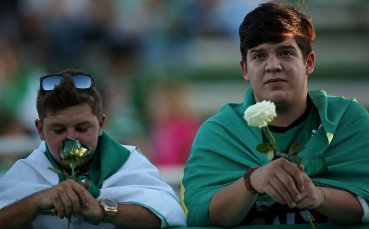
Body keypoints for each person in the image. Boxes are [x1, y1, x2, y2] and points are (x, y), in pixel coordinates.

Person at [181, 2, 369, 227]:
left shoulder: (348, 120)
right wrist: (250, 183)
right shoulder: (219, 132)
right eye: (259, 56)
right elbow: (202, 216)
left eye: (286, 52)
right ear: (245, 69)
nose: (273, 65)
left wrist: (320, 197)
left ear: (308, 62)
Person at [0, 69, 186, 228]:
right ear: (40, 129)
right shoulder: (27, 171)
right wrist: (36, 201)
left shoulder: (130, 162)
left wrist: (104, 209)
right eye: (58, 129)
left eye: (82, 128)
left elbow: (170, 214)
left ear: (101, 124)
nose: (71, 138)